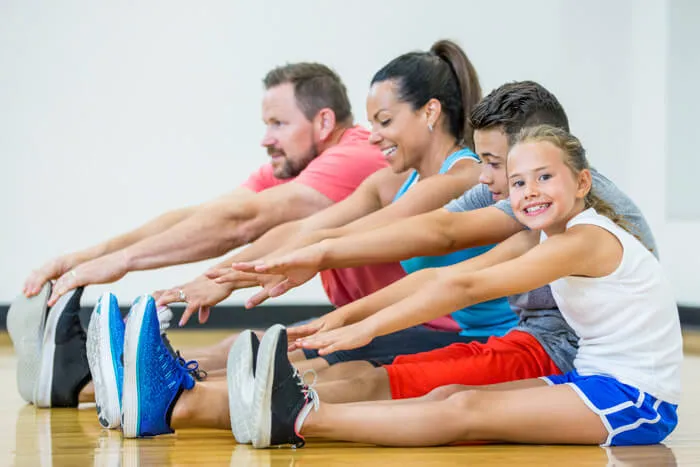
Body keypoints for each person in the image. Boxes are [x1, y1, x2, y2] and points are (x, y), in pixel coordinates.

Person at [238, 125, 683, 448]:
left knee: (464, 411)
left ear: (582, 182)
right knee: (449, 395)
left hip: (637, 400)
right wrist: (340, 319)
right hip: (591, 379)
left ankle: (298, 417)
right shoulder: (543, 236)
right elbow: (440, 277)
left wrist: (367, 331)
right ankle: (300, 409)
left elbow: (469, 285)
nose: (530, 192)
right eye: (518, 182)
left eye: (545, 177)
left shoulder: (586, 238)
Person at [9, 61, 393, 407]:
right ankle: (79, 379)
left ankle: (81, 383)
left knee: (260, 355)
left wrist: (125, 264)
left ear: (324, 122)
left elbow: (244, 222)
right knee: (240, 346)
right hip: (366, 319)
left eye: (278, 124)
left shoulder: (356, 158)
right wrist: (86, 259)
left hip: (410, 325)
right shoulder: (296, 168)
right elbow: (207, 215)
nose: (265, 139)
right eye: (265, 125)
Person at [155, 40, 515, 375]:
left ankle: (169, 390)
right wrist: (215, 279)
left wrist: (250, 275)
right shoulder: (395, 181)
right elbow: (306, 230)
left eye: (385, 121)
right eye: (372, 123)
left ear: (429, 112)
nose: (374, 136)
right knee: (254, 344)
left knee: (290, 360)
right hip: (413, 323)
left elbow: (348, 236)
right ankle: (137, 378)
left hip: (469, 338)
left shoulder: (462, 178)